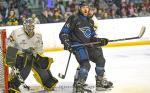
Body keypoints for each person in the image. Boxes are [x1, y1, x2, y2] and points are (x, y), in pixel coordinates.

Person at [59, 1, 113, 93]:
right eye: (83, 7)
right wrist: (67, 43)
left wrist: (100, 41)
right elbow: (63, 33)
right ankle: (79, 85)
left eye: (87, 7)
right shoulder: (73, 18)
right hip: (77, 45)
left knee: (100, 59)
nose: (85, 9)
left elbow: (92, 37)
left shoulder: (90, 21)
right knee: (85, 64)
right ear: (79, 8)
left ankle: (100, 82)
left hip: (87, 45)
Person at [7, 18, 58, 93]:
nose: (30, 28)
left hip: (31, 55)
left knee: (40, 62)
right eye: (28, 26)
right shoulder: (16, 32)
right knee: (25, 65)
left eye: (32, 26)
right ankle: (13, 83)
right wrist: (10, 58)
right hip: (19, 56)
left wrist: (39, 58)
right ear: (24, 26)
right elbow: (9, 44)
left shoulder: (38, 35)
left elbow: (39, 50)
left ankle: (47, 79)